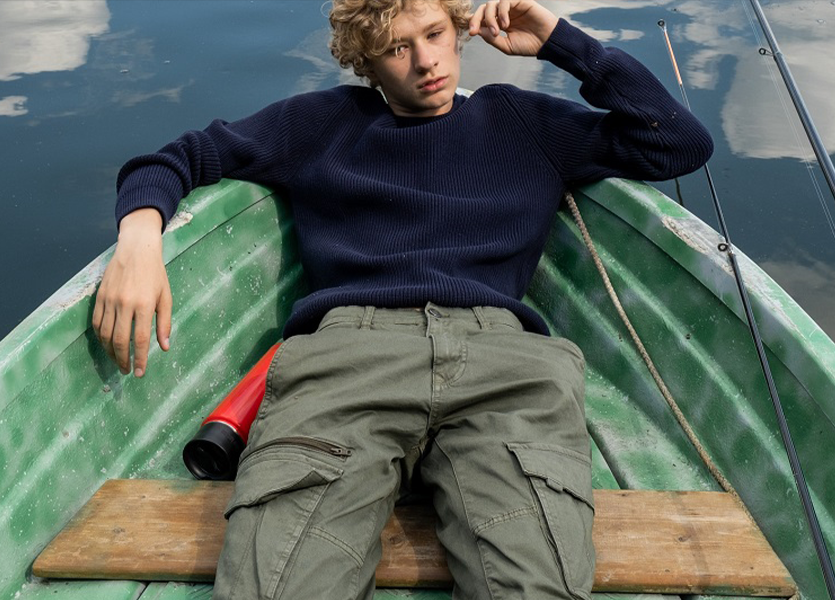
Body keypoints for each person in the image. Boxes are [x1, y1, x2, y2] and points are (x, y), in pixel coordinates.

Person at [93, 0, 713, 598]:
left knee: (537, 586)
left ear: (459, 29)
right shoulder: (321, 125)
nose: (426, 62)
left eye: (437, 34)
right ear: (367, 62)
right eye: (397, 48)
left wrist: (558, 40)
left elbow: (676, 142)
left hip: (505, 367)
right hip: (346, 362)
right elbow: (180, 157)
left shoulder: (524, 123)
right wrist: (140, 238)